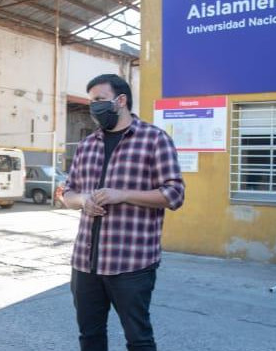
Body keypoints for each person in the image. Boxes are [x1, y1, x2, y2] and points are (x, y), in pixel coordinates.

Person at [63, 74, 185, 351]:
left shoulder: (154, 139)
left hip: (131, 263)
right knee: (89, 337)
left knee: (138, 340)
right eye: (91, 101)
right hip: (85, 262)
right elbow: (66, 193)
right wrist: (82, 200)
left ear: (121, 100)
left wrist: (124, 195)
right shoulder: (86, 146)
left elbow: (175, 194)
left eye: (99, 100)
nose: (94, 106)